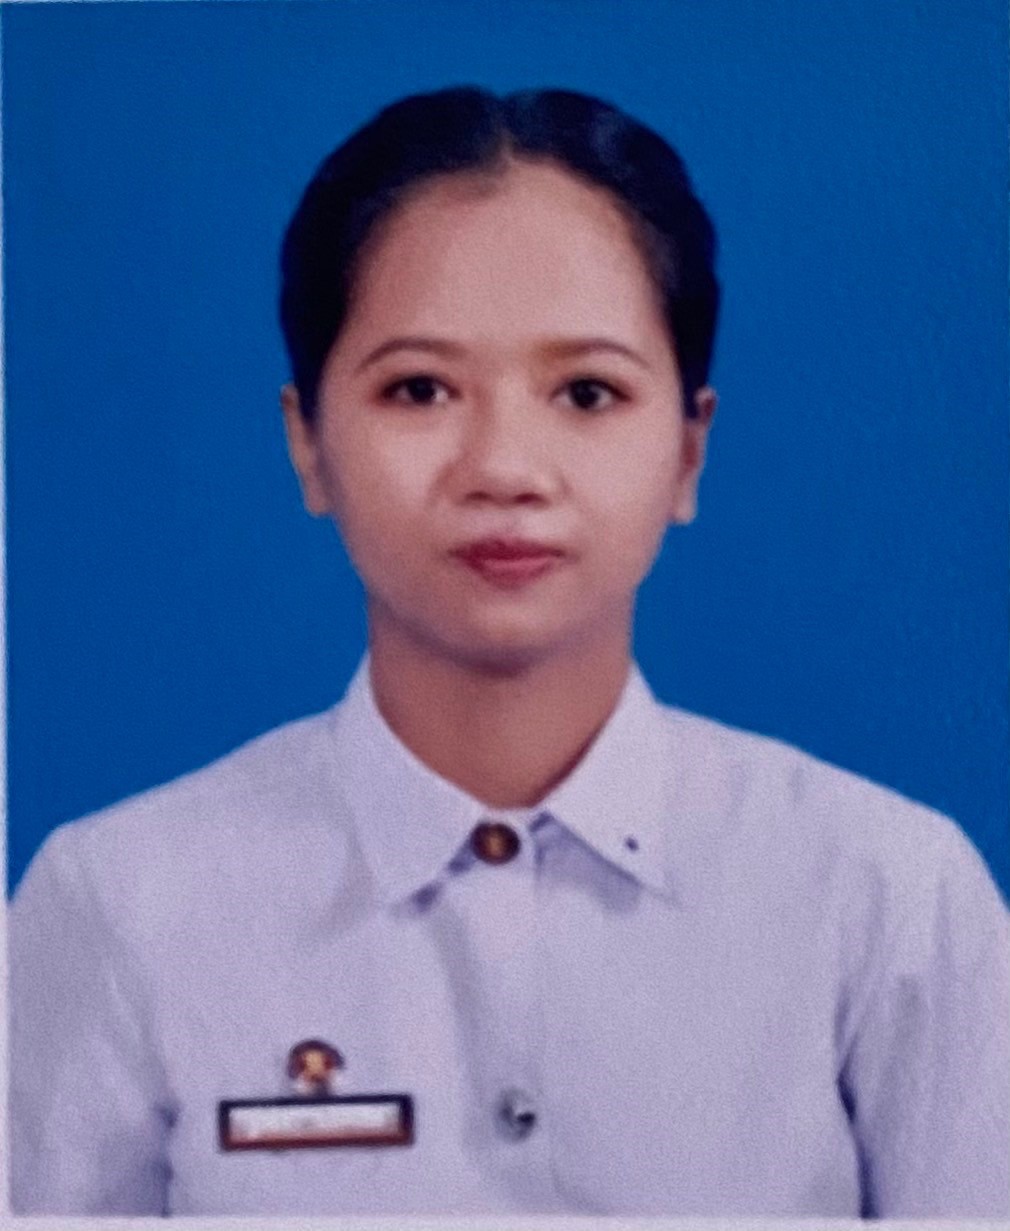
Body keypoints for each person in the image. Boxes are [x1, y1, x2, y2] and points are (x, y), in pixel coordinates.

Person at [8, 86, 1009, 1218]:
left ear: (688, 450)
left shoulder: (887, 903)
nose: (504, 468)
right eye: (419, 388)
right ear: (308, 443)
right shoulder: (119, 903)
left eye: (586, 392)